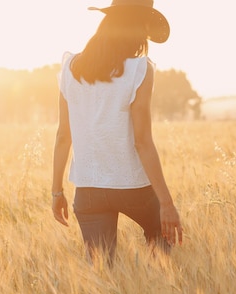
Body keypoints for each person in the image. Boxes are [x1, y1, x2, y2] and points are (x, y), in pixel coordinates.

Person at [51, 0, 183, 263]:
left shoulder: (70, 68)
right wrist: (166, 204)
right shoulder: (140, 69)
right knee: (163, 238)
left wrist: (57, 192)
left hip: (88, 189)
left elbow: (63, 136)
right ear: (138, 28)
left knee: (101, 269)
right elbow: (142, 142)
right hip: (132, 185)